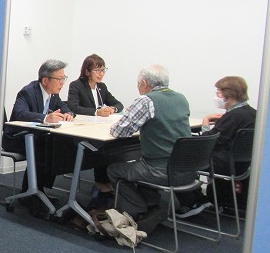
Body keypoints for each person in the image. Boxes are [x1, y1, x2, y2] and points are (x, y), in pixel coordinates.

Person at [106, 64, 191, 232]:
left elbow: (119, 131)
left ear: (144, 83)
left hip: (161, 171)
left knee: (114, 170)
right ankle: (153, 206)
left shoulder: (146, 100)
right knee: (140, 162)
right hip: (188, 169)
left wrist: (131, 114)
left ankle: (138, 208)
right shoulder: (181, 98)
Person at [2, 60, 74, 217]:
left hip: (35, 138)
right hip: (16, 138)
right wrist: (46, 118)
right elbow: (20, 114)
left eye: (64, 78)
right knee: (45, 148)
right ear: (45, 80)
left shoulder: (53, 95)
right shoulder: (27, 92)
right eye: (59, 79)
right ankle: (32, 195)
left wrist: (68, 114)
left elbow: (65, 107)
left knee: (53, 146)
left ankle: (37, 191)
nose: (62, 83)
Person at [177, 76, 256, 217]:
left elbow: (206, 142)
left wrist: (206, 121)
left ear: (229, 94)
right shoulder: (252, 113)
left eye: (218, 93)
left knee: (180, 160)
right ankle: (201, 199)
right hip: (242, 165)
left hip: (223, 164)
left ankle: (192, 202)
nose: (216, 96)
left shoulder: (233, 116)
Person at [67, 54, 124, 193]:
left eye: (103, 70)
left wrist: (112, 109)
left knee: (112, 145)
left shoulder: (102, 87)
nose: (101, 74)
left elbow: (119, 104)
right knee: (102, 146)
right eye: (97, 70)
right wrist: (96, 112)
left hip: (99, 128)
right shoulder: (76, 85)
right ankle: (100, 181)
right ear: (87, 72)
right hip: (82, 130)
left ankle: (106, 180)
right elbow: (73, 107)